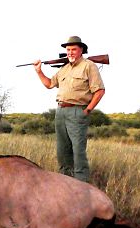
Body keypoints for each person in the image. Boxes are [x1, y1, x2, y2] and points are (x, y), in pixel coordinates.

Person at [34, 36, 105, 182]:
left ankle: (81, 185)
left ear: (81, 50)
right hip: (60, 112)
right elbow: (49, 84)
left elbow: (99, 91)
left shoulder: (89, 65)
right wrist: (39, 71)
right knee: (62, 151)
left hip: (77, 111)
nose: (70, 52)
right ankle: (65, 182)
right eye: (68, 50)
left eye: (74, 49)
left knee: (78, 151)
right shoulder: (64, 69)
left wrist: (87, 111)